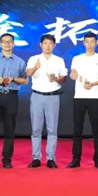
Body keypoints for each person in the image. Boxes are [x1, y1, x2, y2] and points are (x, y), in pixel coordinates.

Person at [0, 33, 28, 169]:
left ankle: (7, 159)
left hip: (11, 96)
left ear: (13, 44)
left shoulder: (20, 61)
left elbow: (25, 80)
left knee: (9, 130)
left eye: (9, 42)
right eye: (4, 41)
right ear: (0, 44)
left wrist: (13, 79)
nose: (7, 44)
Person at [67, 32, 98, 169]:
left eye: (92, 41)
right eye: (87, 41)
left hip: (95, 97)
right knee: (77, 129)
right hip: (79, 97)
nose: (90, 44)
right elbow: (73, 75)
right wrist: (73, 76)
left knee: (96, 129)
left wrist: (93, 84)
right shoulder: (77, 59)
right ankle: (76, 159)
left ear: (96, 43)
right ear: (84, 43)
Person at [26, 34, 67, 169]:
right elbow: (28, 74)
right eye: (45, 43)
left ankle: (50, 158)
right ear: (41, 45)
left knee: (52, 129)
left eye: (50, 43)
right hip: (37, 96)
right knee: (36, 129)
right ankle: (36, 158)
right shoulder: (34, 59)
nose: (48, 46)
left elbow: (64, 78)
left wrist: (57, 79)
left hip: (53, 96)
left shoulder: (59, 60)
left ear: (54, 45)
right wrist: (35, 68)